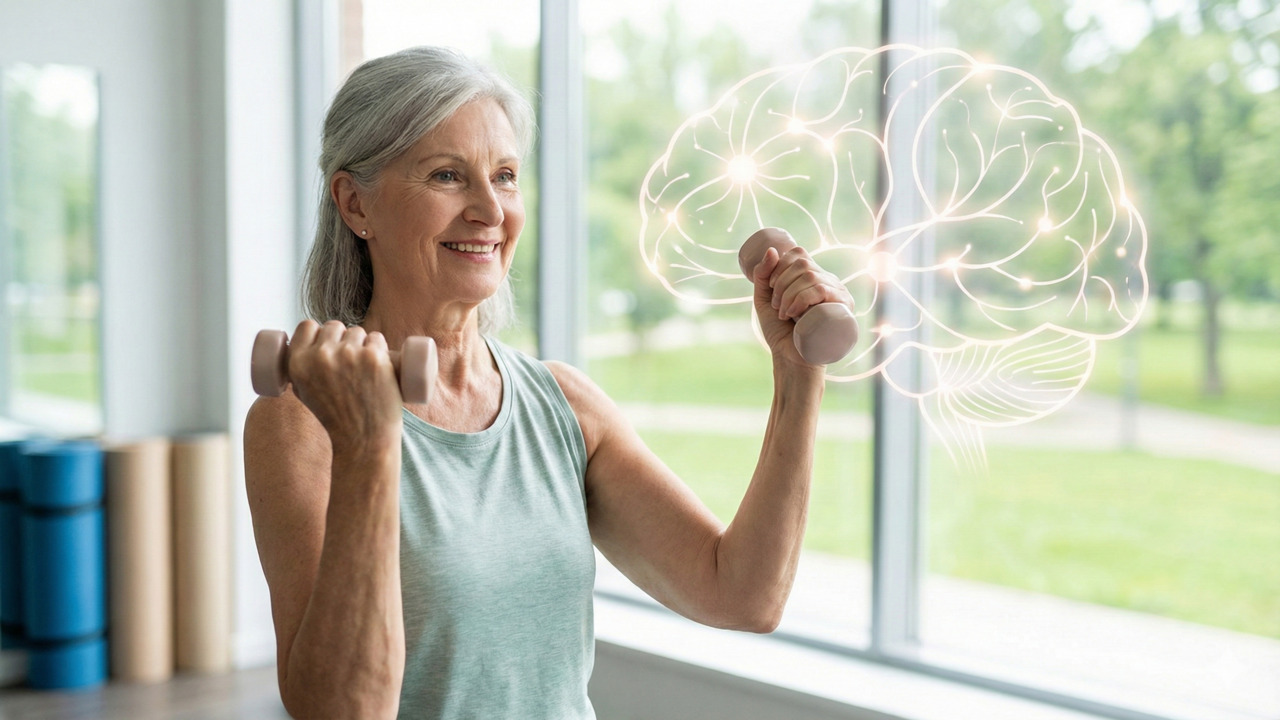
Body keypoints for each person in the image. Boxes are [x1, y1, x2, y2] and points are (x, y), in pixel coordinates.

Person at [243, 45, 854, 720]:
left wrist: (798, 378)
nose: (489, 210)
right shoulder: (302, 423)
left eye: (503, 176)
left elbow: (742, 594)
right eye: (447, 175)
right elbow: (342, 712)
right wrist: (370, 445)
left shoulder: (562, 405)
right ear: (355, 202)